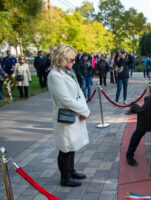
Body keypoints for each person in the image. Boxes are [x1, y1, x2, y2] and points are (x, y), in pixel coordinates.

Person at [47, 44, 91, 187]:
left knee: (72, 144)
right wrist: (84, 111)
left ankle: (71, 171)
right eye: (71, 60)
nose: (74, 62)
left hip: (74, 113)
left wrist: (83, 109)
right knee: (65, 147)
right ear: (62, 58)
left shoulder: (67, 72)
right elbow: (65, 100)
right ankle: (65, 178)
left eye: (74, 59)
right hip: (65, 115)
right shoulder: (55, 75)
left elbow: (78, 92)